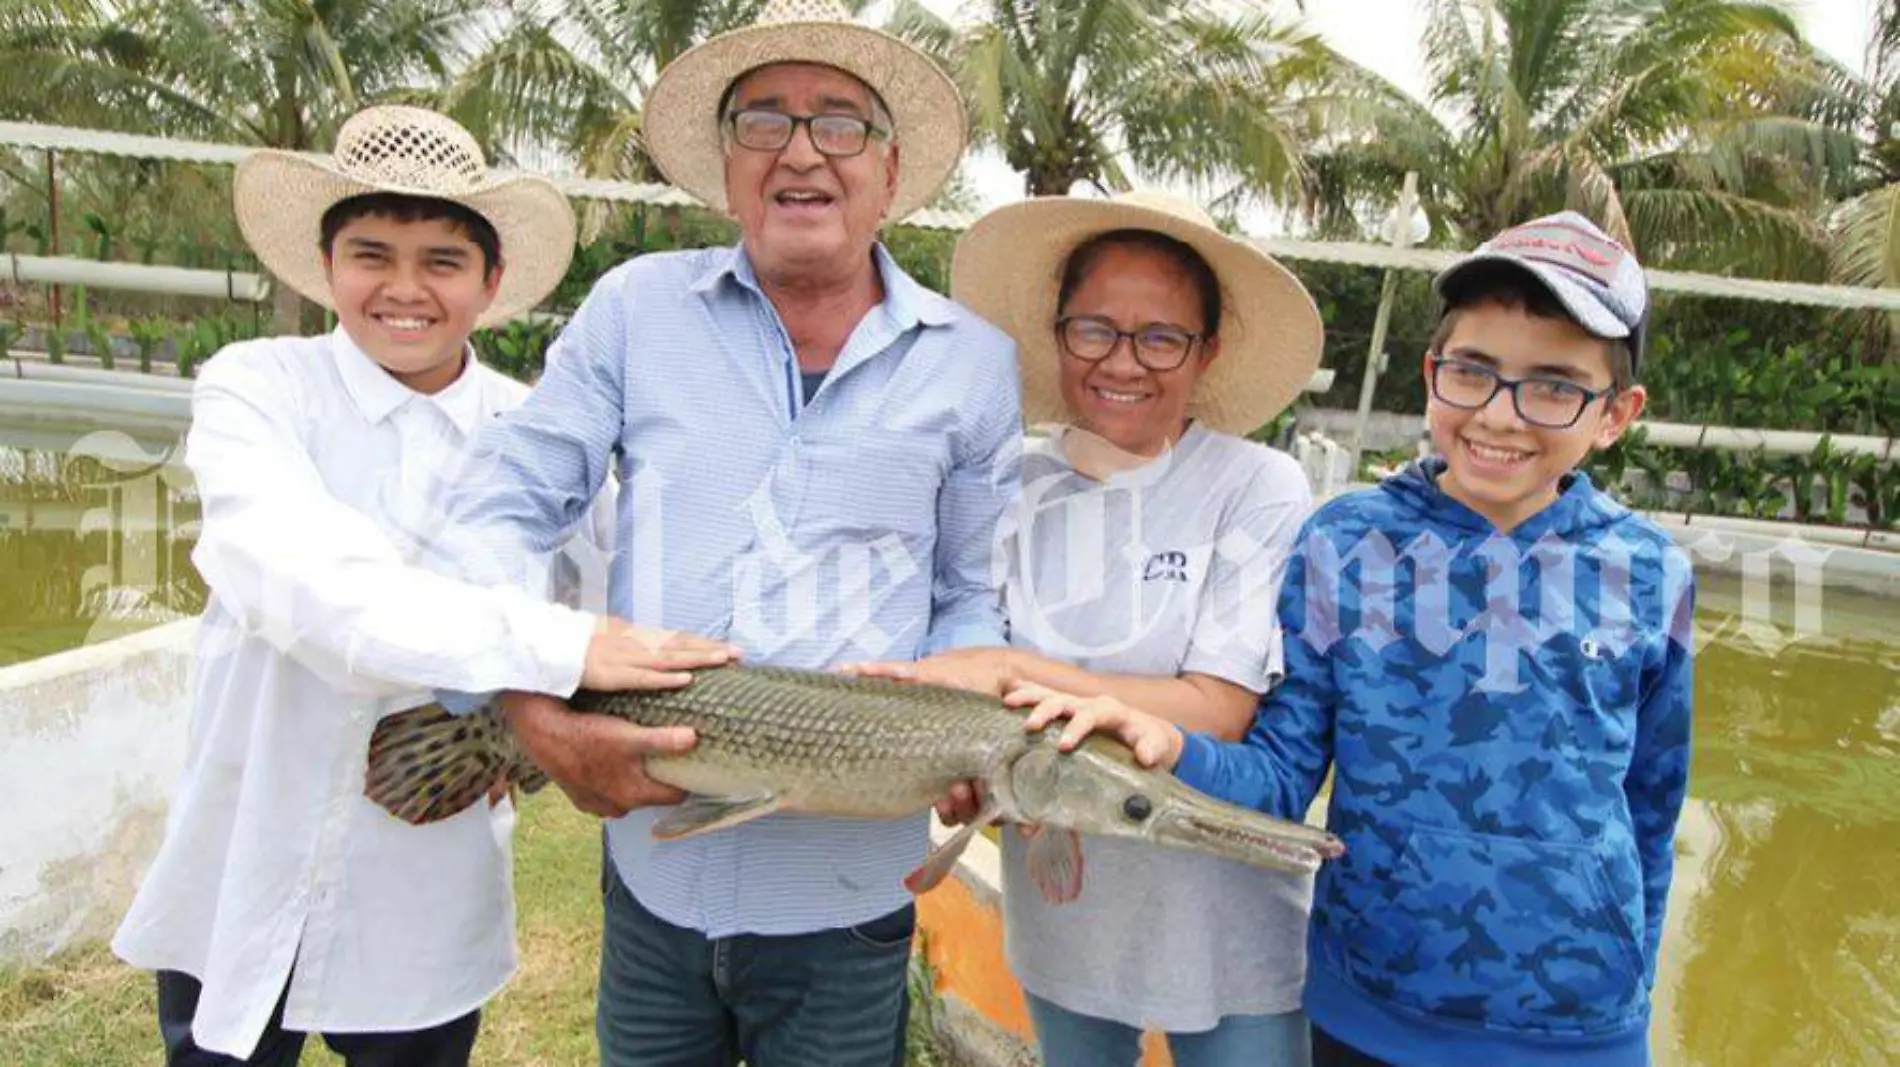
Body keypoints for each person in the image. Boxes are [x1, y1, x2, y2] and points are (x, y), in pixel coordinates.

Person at [431, 2, 1022, 1064]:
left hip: (846, 895)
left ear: (890, 170)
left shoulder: (973, 362)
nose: (802, 151)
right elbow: (505, 502)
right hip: (654, 875)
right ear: (727, 162)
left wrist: (964, 724)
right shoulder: (633, 309)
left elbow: (975, 592)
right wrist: (528, 708)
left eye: (840, 122)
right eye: (765, 120)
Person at [110, 105, 735, 1066]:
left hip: (424, 868)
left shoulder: (536, 435)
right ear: (327, 266)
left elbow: (636, 593)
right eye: (372, 254)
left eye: (442, 261)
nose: (405, 290)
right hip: (247, 846)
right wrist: (555, 644)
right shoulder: (257, 388)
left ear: (491, 282)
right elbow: (302, 580)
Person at [1016, 212, 1696, 1067]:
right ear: (1431, 373)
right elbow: (1280, 774)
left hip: (1577, 1029)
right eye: (1473, 372)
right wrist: (1172, 745)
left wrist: (1628, 982)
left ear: (1615, 413)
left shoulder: (1647, 569)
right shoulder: (1346, 544)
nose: (1500, 413)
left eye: (1554, 385)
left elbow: (1651, 807)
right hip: (1368, 1006)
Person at [852, 190, 1325, 1066]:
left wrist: (1001, 667)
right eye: (1095, 329)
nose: (1125, 362)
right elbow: (964, 702)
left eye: (1161, 337)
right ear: (1057, 331)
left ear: (1207, 349)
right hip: (1064, 902)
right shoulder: (1006, 481)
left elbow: (1217, 708)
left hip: (1224, 912)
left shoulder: (1255, 484)